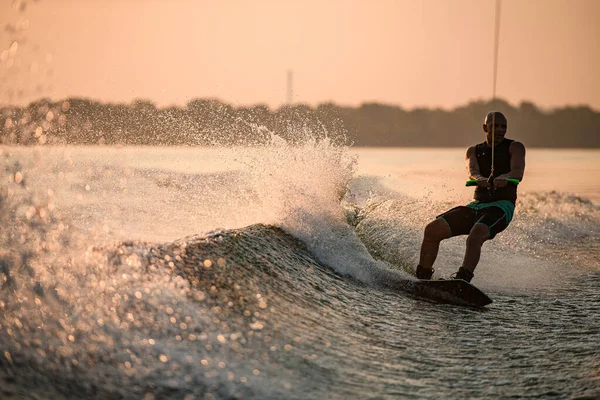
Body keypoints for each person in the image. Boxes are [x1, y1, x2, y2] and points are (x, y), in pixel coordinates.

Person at [415, 111, 526, 282]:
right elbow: (472, 171)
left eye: (503, 126)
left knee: (477, 234)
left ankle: (462, 280)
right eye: (494, 126)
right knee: (432, 230)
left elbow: (517, 172)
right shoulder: (473, 151)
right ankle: (422, 277)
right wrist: (480, 179)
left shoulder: (515, 147)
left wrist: (505, 177)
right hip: (477, 205)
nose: (500, 130)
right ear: (485, 127)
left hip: (501, 207)